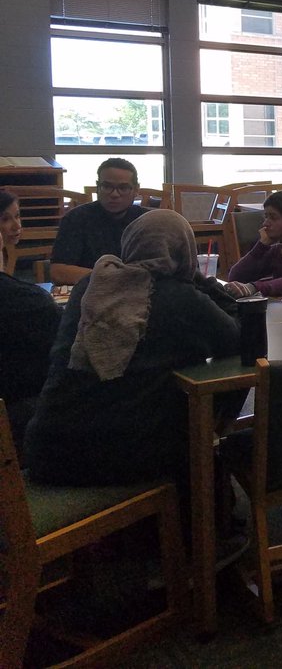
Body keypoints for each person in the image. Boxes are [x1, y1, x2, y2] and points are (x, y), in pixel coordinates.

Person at [23, 210, 241, 486]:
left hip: (46, 449)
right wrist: (196, 277)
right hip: (120, 453)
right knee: (195, 435)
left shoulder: (89, 285)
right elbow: (237, 339)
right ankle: (204, 519)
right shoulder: (179, 297)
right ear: (184, 250)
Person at [0, 191, 59, 452]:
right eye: (5, 219)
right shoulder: (26, 302)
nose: (16, 226)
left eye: (18, 216)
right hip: (18, 411)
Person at [49, 157, 148, 285]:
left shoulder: (147, 221)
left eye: (123, 188)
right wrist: (116, 278)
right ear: (97, 187)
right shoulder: (77, 218)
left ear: (136, 190)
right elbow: (58, 272)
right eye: (107, 186)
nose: (114, 194)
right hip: (91, 294)